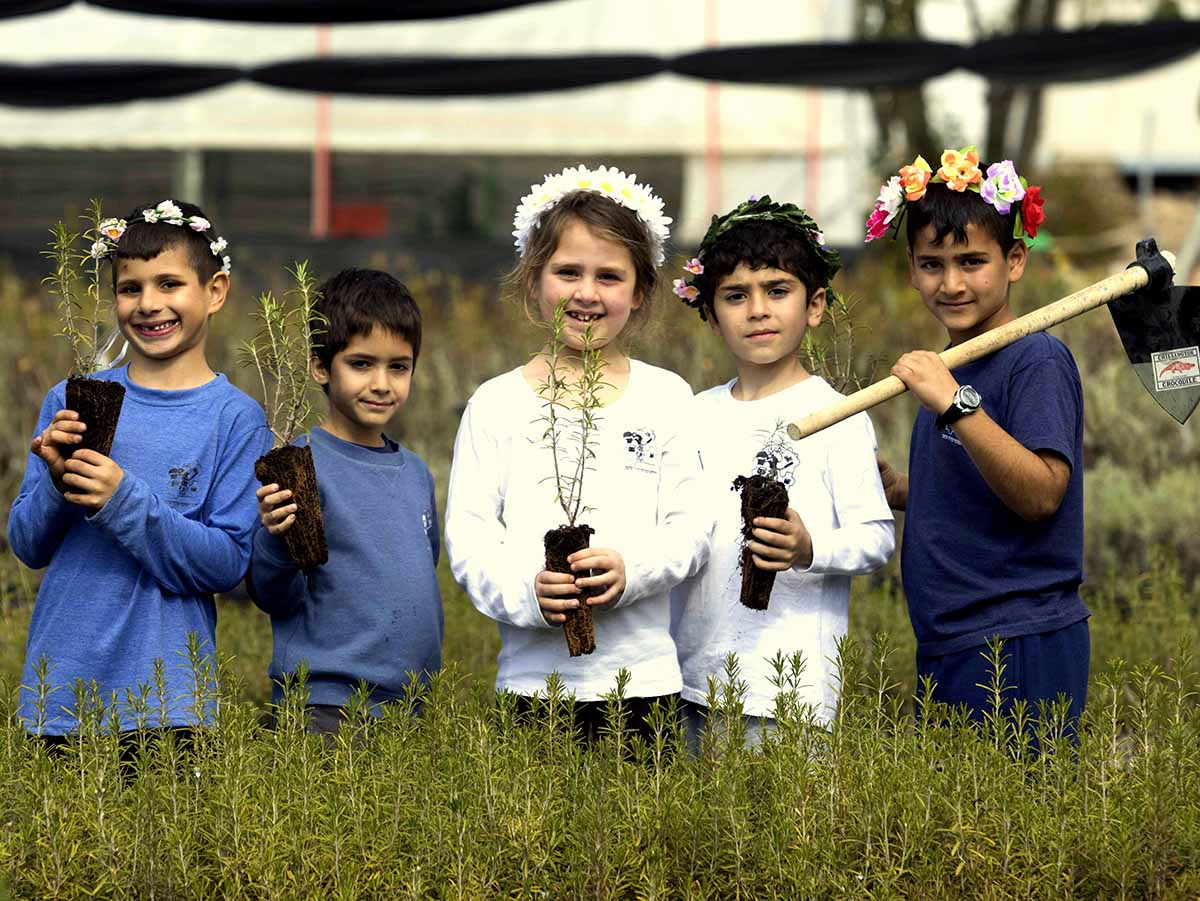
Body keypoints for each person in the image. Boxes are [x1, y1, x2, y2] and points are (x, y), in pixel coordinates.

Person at [445, 164, 709, 744]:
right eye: (568, 272)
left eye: (609, 276)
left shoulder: (667, 397)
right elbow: (470, 540)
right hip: (533, 688)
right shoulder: (496, 404)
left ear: (640, 291)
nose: (587, 293)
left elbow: (692, 528)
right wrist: (528, 591)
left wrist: (631, 570)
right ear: (535, 281)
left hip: (643, 687)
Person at [9, 200, 270, 739]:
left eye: (170, 284)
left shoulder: (235, 418)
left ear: (215, 290)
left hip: (168, 703)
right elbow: (28, 544)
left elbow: (225, 563)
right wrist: (60, 484)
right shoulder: (74, 400)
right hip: (60, 691)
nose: (149, 304)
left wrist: (120, 499)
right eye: (131, 288)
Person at [870, 148, 1089, 730]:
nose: (952, 283)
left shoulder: (1034, 358)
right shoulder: (956, 363)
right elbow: (980, 482)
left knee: (1018, 817)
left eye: (972, 262)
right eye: (932, 264)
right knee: (963, 821)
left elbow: (1042, 493)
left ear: (1014, 260)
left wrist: (953, 403)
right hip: (952, 640)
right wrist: (902, 490)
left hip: (1017, 642)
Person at [669, 196, 895, 750]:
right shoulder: (691, 415)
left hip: (789, 690)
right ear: (710, 312)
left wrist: (808, 547)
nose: (758, 310)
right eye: (735, 296)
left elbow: (876, 537)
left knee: (787, 832)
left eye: (777, 290)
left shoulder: (837, 416)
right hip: (693, 679)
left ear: (815, 305)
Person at [250, 269, 442, 736]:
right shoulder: (297, 467)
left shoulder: (415, 472)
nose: (382, 383)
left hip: (407, 710)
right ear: (321, 366)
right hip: (323, 708)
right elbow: (273, 593)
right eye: (361, 364)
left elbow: (420, 572)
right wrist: (276, 540)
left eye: (399, 366)